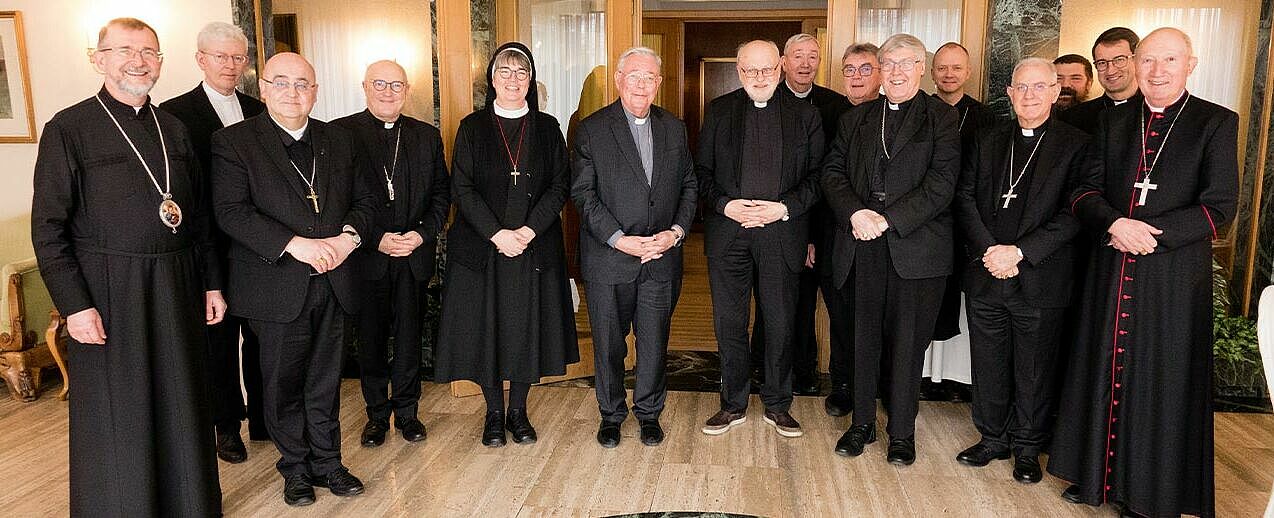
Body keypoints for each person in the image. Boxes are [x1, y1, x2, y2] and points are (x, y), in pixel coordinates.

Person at [32, 17, 224, 516]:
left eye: (150, 52)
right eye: (125, 50)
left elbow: (198, 215)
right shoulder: (68, 128)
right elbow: (49, 228)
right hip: (109, 290)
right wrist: (74, 306)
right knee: (121, 408)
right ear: (98, 59)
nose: (139, 61)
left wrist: (211, 285)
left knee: (182, 398)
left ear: (160, 62)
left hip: (178, 281)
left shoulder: (175, 128)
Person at [1049, 28, 1237, 518]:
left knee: (1161, 380)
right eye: (1149, 60)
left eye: (1168, 60)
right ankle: (1097, 477)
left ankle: (1150, 492)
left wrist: (1148, 233)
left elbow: (1220, 206)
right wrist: (1114, 222)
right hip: (1112, 266)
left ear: (1189, 64)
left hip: (1173, 277)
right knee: (1103, 367)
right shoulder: (1114, 123)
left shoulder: (1215, 122)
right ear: (1137, 63)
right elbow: (1082, 192)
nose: (1157, 71)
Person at [211, 52, 375, 506]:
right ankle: (295, 470)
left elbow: (365, 202)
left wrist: (348, 240)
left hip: (335, 279)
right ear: (262, 89)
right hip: (276, 282)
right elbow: (230, 212)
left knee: (326, 381)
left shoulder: (339, 139)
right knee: (282, 384)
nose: (292, 92)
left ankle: (329, 463)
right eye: (280, 83)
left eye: (302, 84)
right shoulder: (234, 142)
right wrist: (294, 244)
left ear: (315, 91)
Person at [822, 33, 959, 465]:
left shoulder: (941, 119)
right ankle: (861, 424)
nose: (897, 72)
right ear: (880, 70)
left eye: (906, 63)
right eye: (890, 64)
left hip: (914, 248)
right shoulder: (857, 119)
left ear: (922, 68)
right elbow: (832, 173)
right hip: (861, 243)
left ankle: (902, 432)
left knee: (907, 344)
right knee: (861, 340)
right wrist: (856, 214)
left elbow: (942, 184)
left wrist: (888, 219)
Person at [434, 42, 579, 448]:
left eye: (521, 73)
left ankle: (519, 411)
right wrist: (497, 234)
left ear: (530, 81)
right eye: (505, 72)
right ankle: (494, 414)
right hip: (484, 250)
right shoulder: (472, 127)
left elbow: (559, 186)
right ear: (492, 80)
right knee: (489, 331)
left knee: (525, 331)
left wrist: (529, 231)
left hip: (533, 249)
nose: (513, 80)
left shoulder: (548, 127)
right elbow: (461, 186)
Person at [952, 57, 1089, 484]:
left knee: (1034, 366)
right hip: (986, 272)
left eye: (1038, 87)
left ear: (1054, 92)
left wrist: (1020, 253)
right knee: (989, 361)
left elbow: (1075, 211)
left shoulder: (1076, 144)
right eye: (1020, 88)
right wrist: (991, 250)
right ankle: (992, 437)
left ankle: (1028, 447)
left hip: (1040, 276)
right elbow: (965, 198)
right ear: (1009, 93)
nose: (1028, 96)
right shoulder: (989, 139)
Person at [571, 46, 697, 448]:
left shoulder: (674, 128)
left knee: (654, 342)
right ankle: (610, 414)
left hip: (660, 258)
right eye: (634, 76)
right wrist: (620, 239)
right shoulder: (591, 129)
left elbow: (690, 187)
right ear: (619, 80)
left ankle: (648, 413)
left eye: (650, 77)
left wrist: (675, 232)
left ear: (659, 83)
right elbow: (583, 194)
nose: (642, 84)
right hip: (609, 258)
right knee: (608, 343)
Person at [697, 40, 822, 439]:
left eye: (767, 70)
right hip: (729, 234)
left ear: (781, 67)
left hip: (780, 233)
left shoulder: (806, 115)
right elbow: (700, 175)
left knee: (781, 323)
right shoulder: (719, 111)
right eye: (751, 71)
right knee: (729, 323)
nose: (759, 78)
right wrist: (725, 205)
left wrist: (782, 208)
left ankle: (778, 405)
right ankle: (732, 404)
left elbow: (820, 178)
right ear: (738, 71)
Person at [159, 20, 268, 464]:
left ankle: (265, 418)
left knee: (262, 337)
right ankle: (227, 426)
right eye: (220, 56)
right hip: (208, 245)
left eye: (238, 57)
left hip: (258, 246)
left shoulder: (260, 108)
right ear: (200, 59)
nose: (230, 65)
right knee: (218, 341)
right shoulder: (173, 112)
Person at [332, 60, 450, 447]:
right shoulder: (340, 133)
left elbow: (441, 196)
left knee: (410, 337)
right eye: (379, 84)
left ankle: (409, 412)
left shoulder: (425, 136)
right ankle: (376, 415)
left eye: (396, 84)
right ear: (364, 86)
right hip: (369, 256)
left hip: (412, 255)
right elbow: (336, 202)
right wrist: (374, 238)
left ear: (407, 89)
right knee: (370, 340)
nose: (387, 91)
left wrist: (420, 235)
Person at [750, 33, 849, 396]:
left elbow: (828, 175)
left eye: (813, 56)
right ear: (783, 64)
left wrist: (814, 236)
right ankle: (764, 368)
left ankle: (806, 371)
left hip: (820, 222)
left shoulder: (835, 106)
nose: (806, 63)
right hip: (775, 227)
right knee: (771, 303)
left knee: (807, 307)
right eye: (798, 56)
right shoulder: (764, 99)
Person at [821, 41, 883, 418]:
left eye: (865, 69)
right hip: (834, 236)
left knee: (879, 320)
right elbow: (817, 178)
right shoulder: (828, 113)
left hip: (883, 237)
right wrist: (812, 239)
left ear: (880, 73)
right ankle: (843, 385)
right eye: (849, 69)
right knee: (841, 316)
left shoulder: (897, 115)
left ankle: (877, 388)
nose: (856, 77)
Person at [923, 41, 983, 402]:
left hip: (966, 225)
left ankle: (956, 376)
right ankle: (924, 373)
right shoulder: (921, 111)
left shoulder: (985, 117)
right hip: (926, 224)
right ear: (931, 72)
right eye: (942, 68)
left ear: (968, 71)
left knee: (960, 304)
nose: (948, 74)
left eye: (956, 68)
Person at [1059, 27, 1142, 135]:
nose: (1110, 71)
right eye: (1102, 63)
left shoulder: (1158, 110)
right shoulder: (1072, 118)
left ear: (1137, 60)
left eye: (1119, 60)